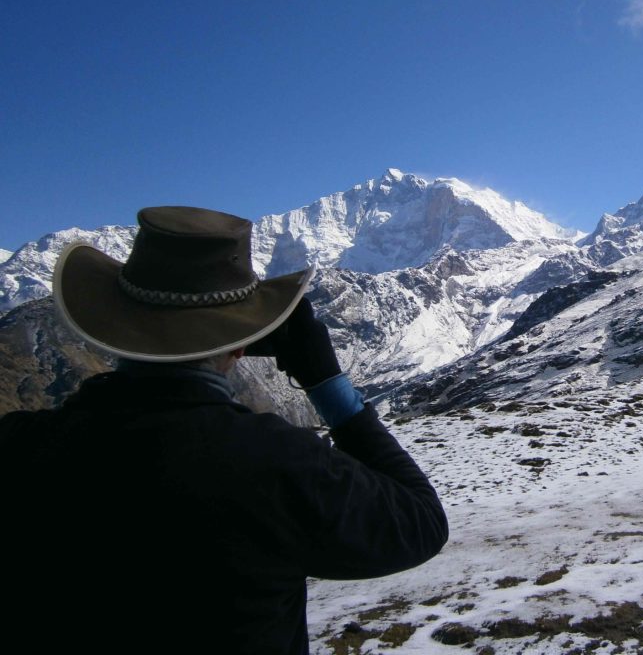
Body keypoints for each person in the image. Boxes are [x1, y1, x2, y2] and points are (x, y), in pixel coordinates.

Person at [0, 206, 448, 655]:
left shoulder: (18, 447)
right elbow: (420, 524)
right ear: (241, 343)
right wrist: (328, 384)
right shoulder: (279, 463)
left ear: (112, 323)